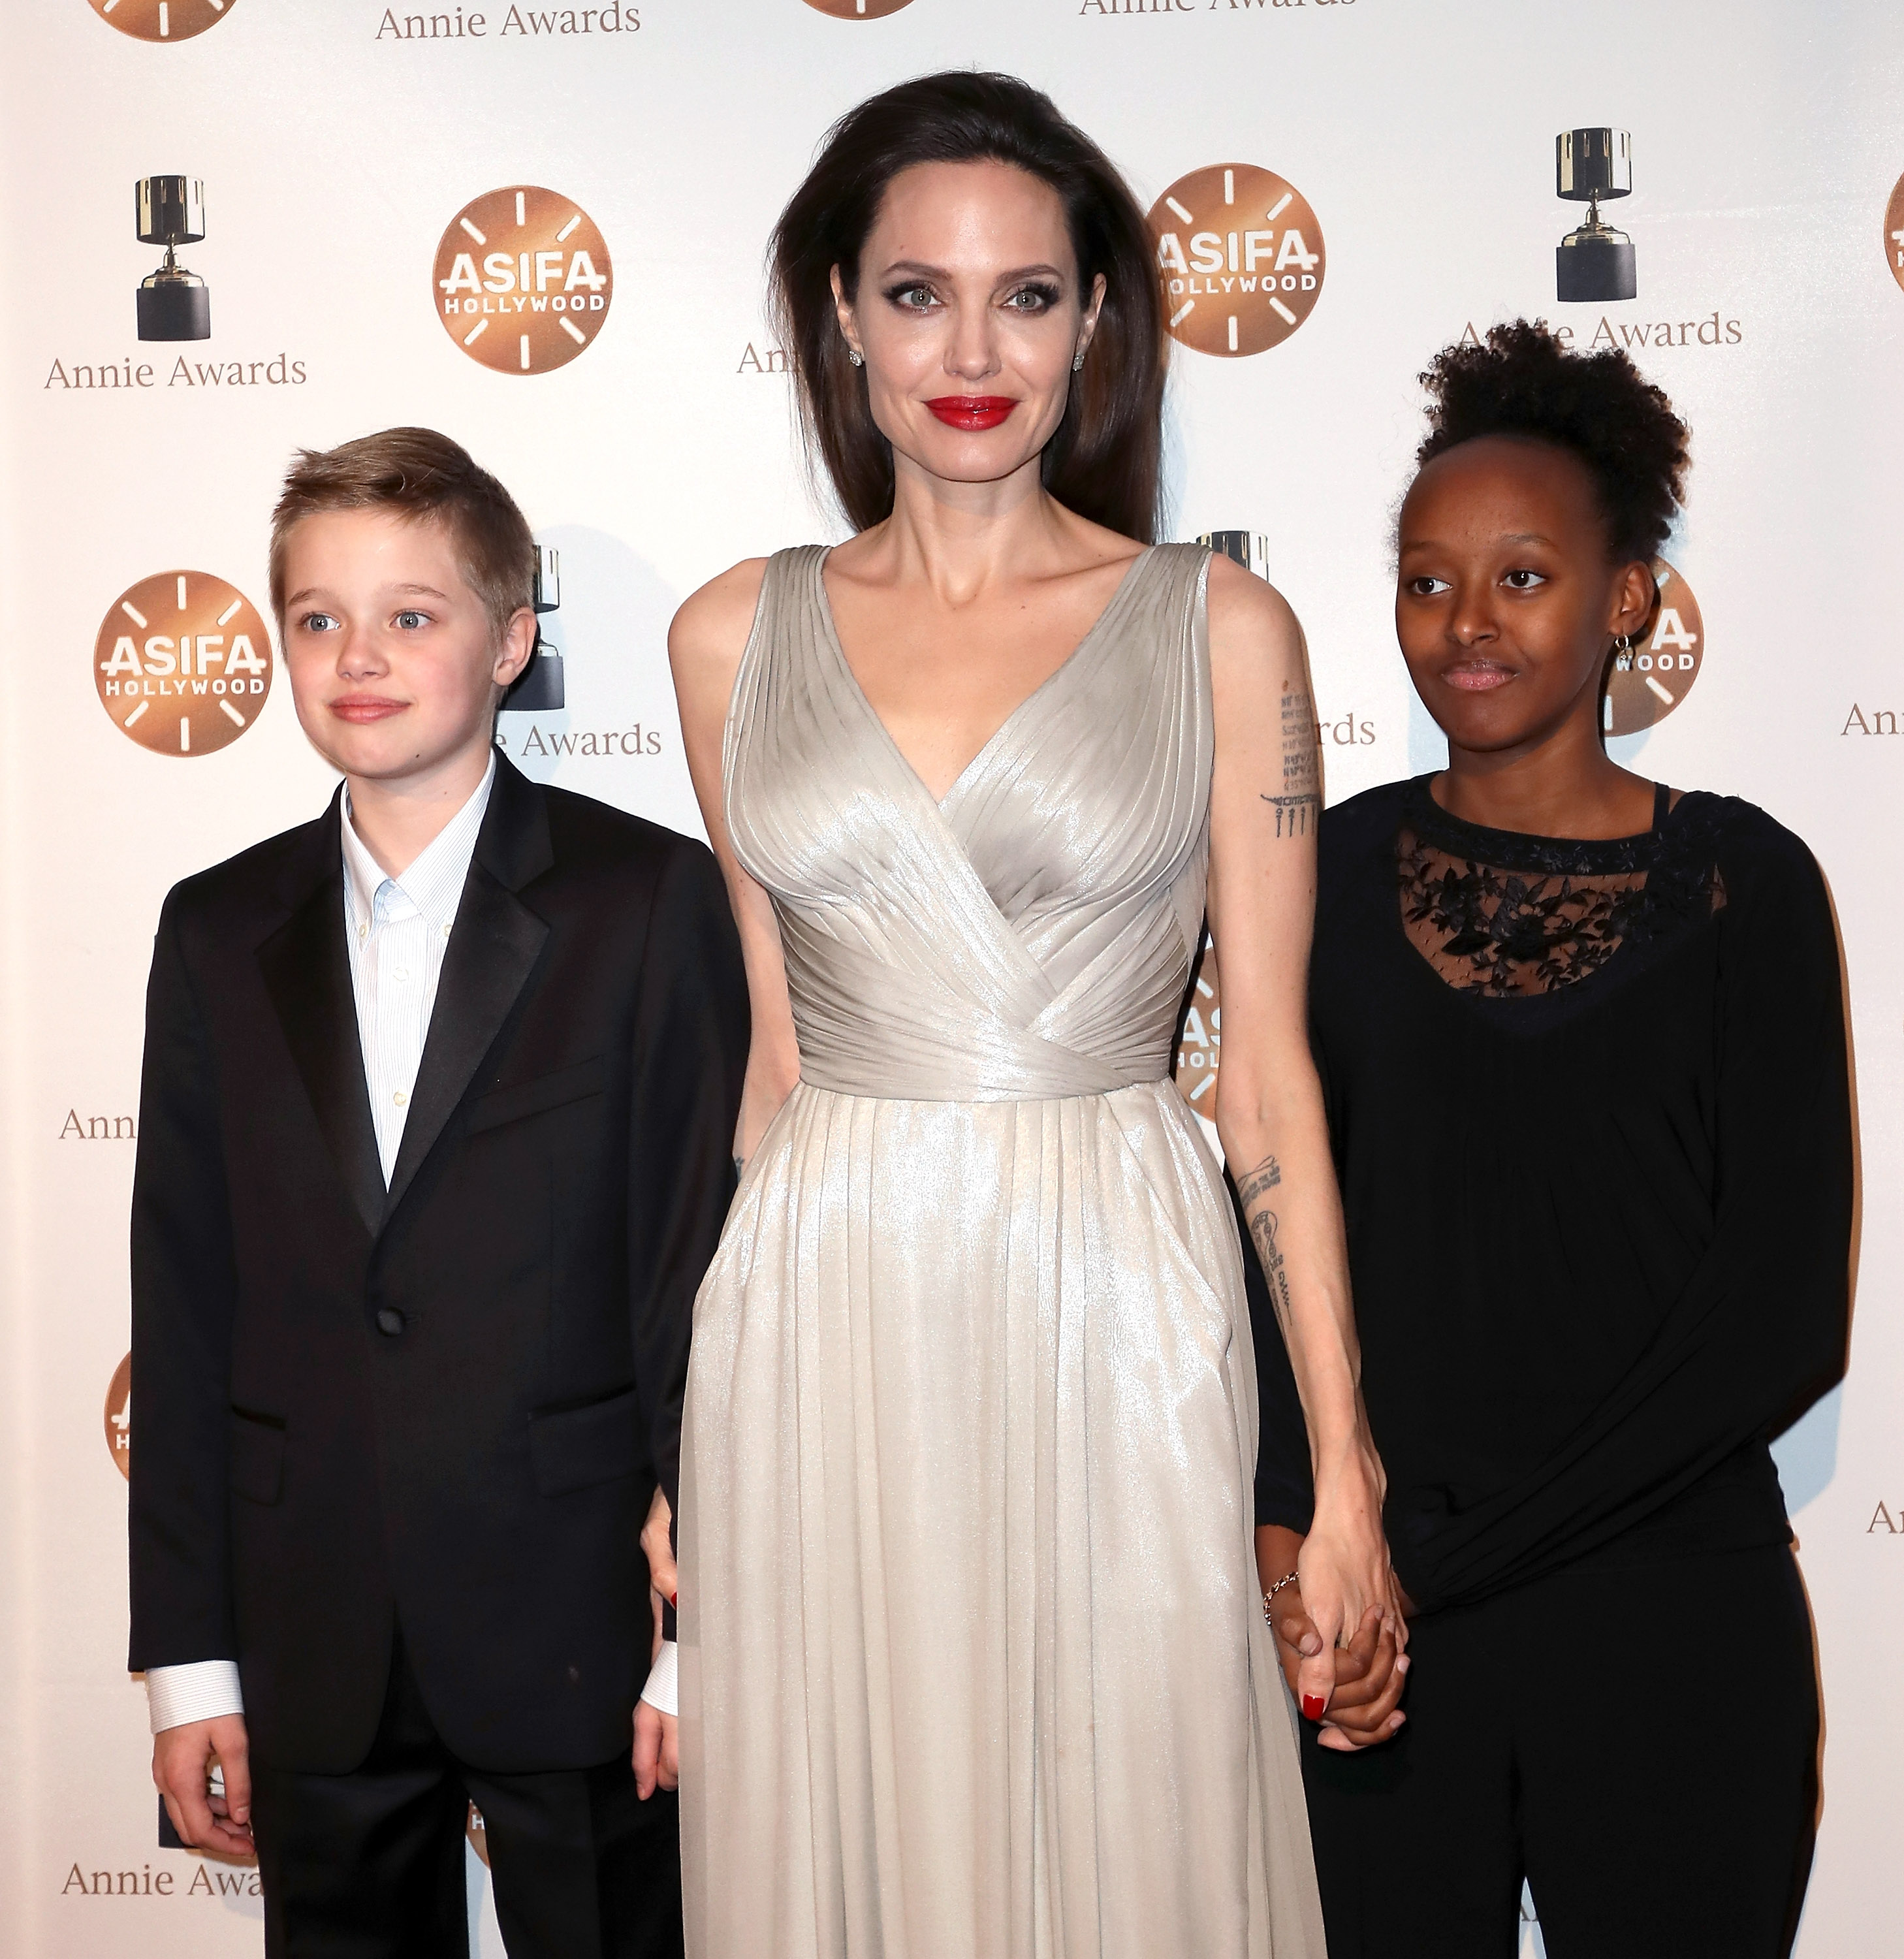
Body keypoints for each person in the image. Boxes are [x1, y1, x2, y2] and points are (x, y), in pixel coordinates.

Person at [657, 71, 1397, 1958]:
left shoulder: (1221, 631)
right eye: (916, 294)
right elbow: (776, 1063)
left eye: (1028, 296)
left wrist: (1342, 1473)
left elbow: (1269, 1084)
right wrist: (679, 1448)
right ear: (838, 315)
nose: (970, 351)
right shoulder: (729, 636)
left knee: (1138, 1819)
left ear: (1095, 325)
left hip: (1118, 1287)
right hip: (821, 1306)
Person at [1260, 321, 1853, 1957]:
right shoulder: (1325, 881)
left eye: (1522, 578)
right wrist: (1295, 1554)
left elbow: (1780, 1322)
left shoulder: (1749, 887)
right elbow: (1273, 1244)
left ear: (1628, 602)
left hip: (1669, 1623)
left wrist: (1438, 1568)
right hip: (1380, 1652)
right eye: (1425, 579)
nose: (1464, 624)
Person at [128, 428, 748, 1959]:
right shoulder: (214, 933)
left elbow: (703, 1288)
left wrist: (700, 1637)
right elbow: (186, 1303)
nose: (359, 658)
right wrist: (191, 1671)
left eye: (413, 615)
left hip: (583, 1623)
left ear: (514, 639)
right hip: (310, 1627)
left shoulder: (648, 902)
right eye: (319, 618)